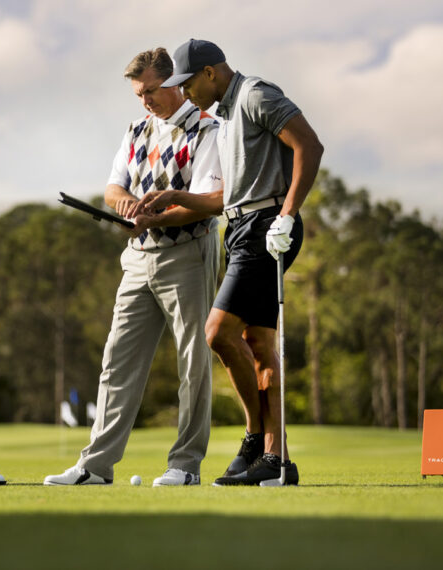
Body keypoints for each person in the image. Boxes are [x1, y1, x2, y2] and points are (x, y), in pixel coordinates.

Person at [134, 39, 323, 485]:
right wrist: (178, 197)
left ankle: (259, 441)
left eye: (188, 84)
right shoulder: (226, 113)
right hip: (239, 228)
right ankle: (273, 458)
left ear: (211, 73)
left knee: (218, 332)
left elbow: (309, 147)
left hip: (266, 226)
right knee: (257, 344)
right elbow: (228, 197)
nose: (187, 93)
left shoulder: (256, 95)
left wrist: (288, 215)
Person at [44, 48, 223, 487]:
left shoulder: (209, 130)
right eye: (139, 94)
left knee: (192, 363)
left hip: (189, 253)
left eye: (151, 91)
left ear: (176, 82)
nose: (145, 101)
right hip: (138, 258)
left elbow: (201, 205)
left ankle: (185, 466)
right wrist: (124, 204)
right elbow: (112, 186)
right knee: (117, 361)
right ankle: (95, 467)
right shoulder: (137, 129)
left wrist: (156, 217)